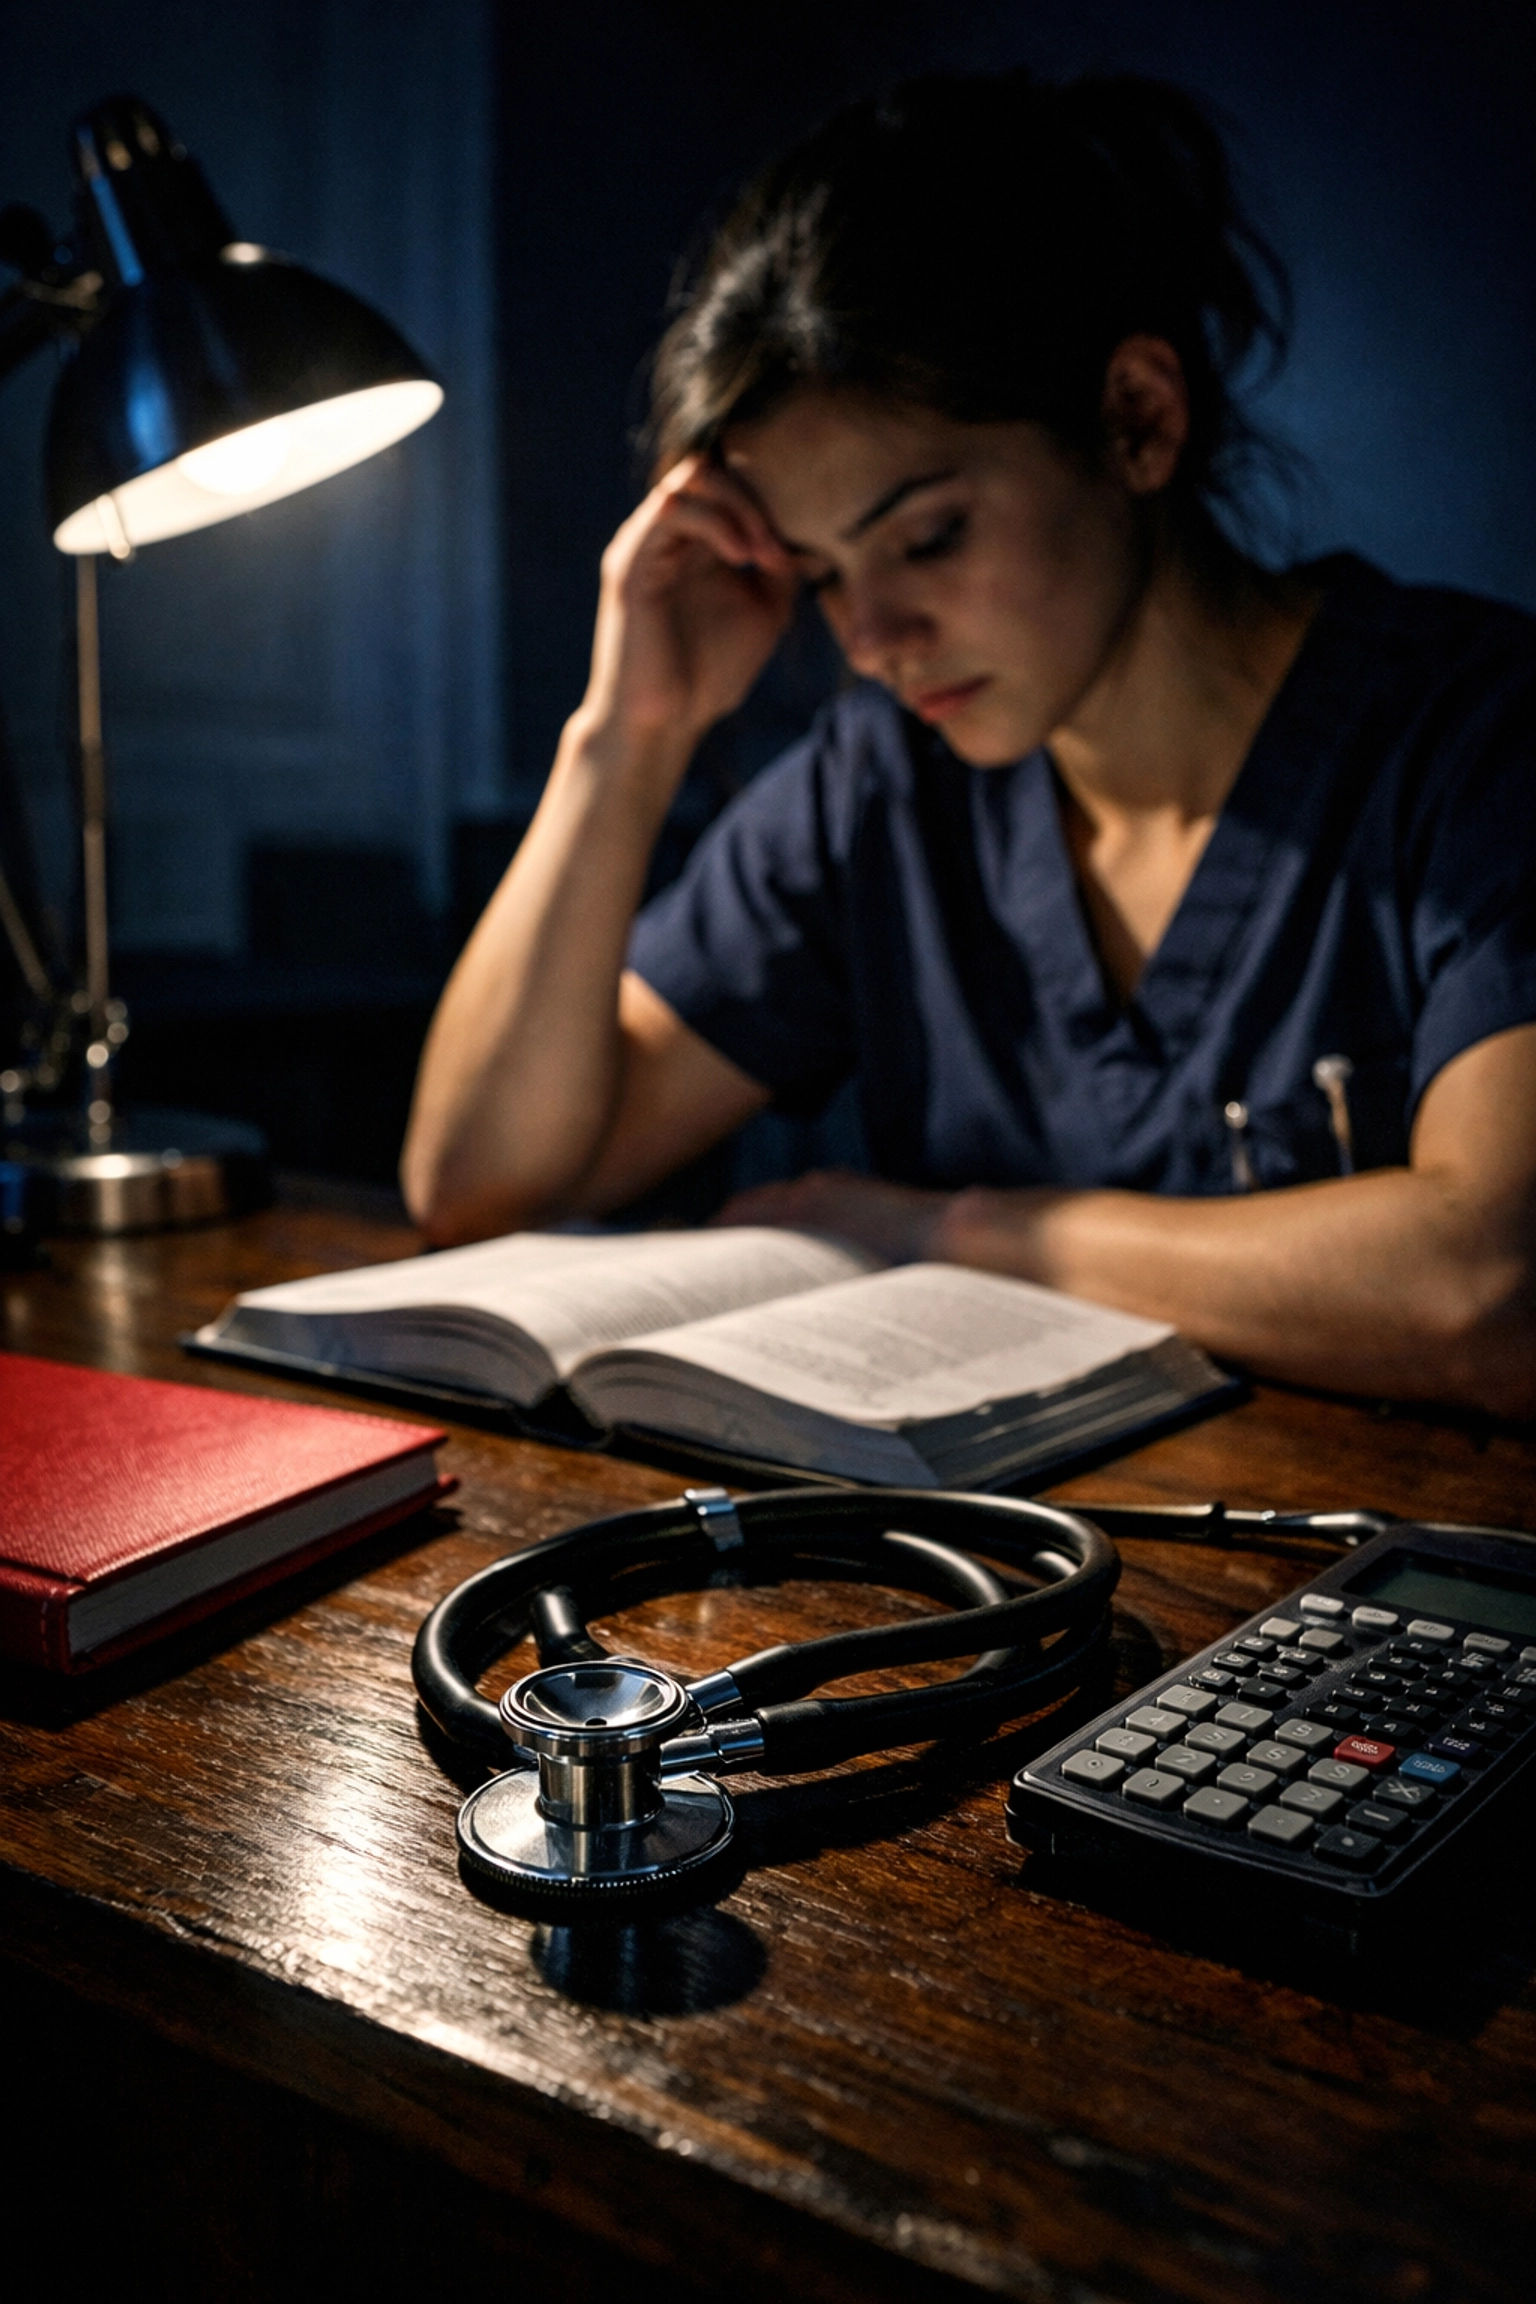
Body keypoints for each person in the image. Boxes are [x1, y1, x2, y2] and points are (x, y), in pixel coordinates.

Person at [402, 70, 1536, 1419]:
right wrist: (628, 737)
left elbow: (1495, 1293)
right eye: (821, 573)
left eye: (928, 536)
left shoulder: (1477, 740)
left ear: (1137, 419)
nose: (872, 635)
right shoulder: (878, 785)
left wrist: (954, 1237)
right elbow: (479, 1180)